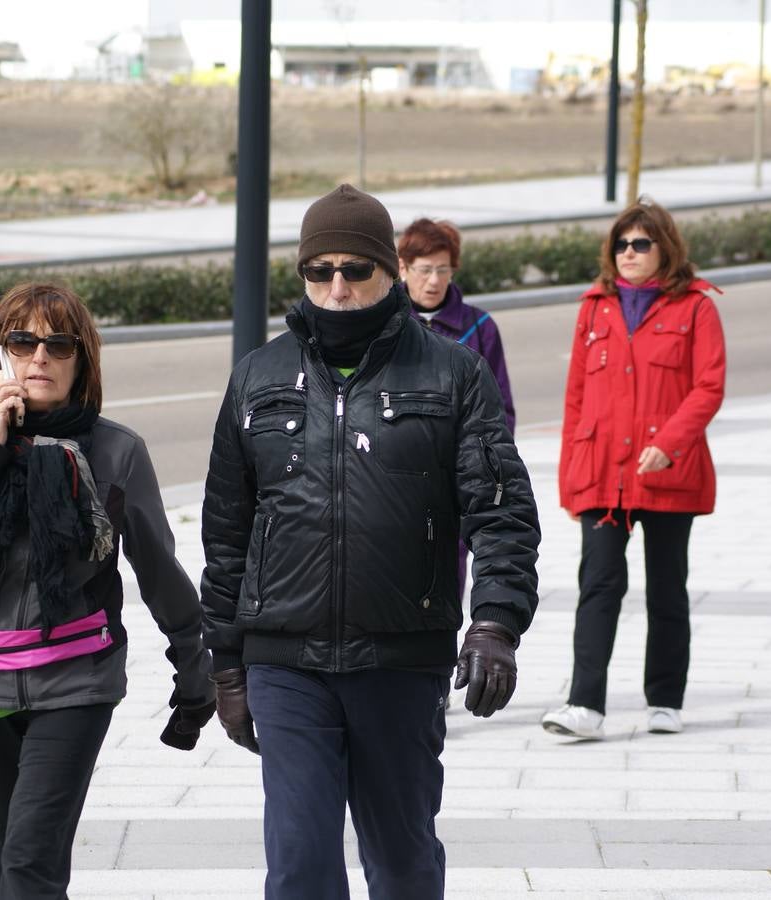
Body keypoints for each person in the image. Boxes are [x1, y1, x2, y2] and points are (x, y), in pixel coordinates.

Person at [199, 184, 540, 900]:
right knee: (299, 865)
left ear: (388, 271)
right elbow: (227, 536)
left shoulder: (452, 374)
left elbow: (501, 510)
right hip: (286, 665)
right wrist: (225, 665)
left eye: (355, 270)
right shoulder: (258, 378)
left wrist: (495, 623)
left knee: (403, 863)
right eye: (319, 271)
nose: (338, 287)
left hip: (401, 660)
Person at [0, 282, 215, 898]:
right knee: (11, 865)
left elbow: (158, 569)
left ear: (81, 360)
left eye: (58, 343)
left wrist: (195, 667)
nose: (40, 356)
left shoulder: (117, 452)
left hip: (75, 685)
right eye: (22, 340)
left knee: (29, 866)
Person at [541, 200, 726, 741]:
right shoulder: (593, 309)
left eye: (640, 244)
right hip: (602, 474)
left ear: (663, 248)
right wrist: (571, 480)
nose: (629, 254)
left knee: (668, 588)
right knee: (597, 584)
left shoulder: (695, 308)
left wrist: (669, 443)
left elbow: (708, 386)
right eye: (621, 244)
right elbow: (575, 399)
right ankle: (585, 706)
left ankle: (666, 699)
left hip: (669, 473)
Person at [398, 216, 517, 598]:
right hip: (394, 487)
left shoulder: (479, 328)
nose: (434, 280)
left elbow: (500, 414)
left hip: (455, 490)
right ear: (403, 268)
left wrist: (481, 476)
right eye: (425, 269)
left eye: (443, 269)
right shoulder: (388, 325)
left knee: (446, 595)